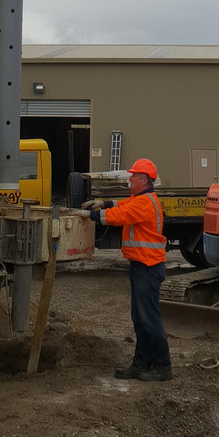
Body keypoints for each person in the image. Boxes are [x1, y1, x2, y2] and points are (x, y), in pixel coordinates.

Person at [83, 157, 172, 382]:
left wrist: (93, 215)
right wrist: (103, 203)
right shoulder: (140, 198)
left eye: (133, 176)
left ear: (144, 180)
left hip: (147, 267)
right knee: (141, 319)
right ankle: (141, 365)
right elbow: (121, 205)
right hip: (142, 266)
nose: (130, 178)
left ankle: (162, 367)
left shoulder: (144, 203)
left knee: (148, 319)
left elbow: (120, 216)